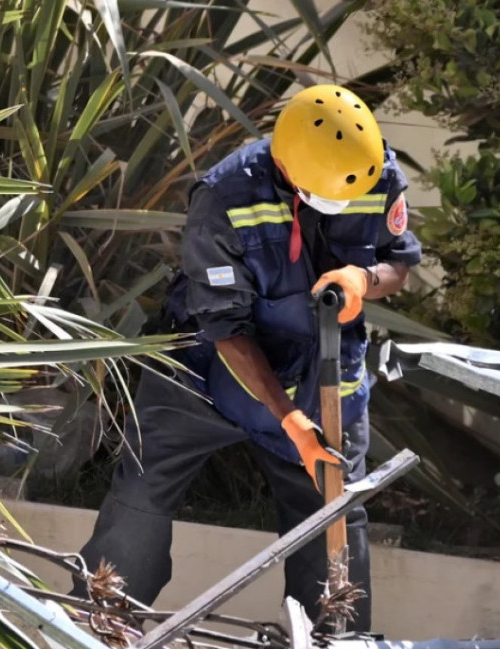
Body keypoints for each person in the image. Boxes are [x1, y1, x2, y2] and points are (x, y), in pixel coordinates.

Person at [74, 84, 422, 632]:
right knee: (138, 503)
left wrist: (365, 278)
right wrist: (290, 423)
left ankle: (332, 641)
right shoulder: (225, 197)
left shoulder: (374, 172)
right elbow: (226, 328)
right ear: (286, 165)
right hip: (207, 368)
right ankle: (100, 631)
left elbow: (397, 261)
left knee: (332, 522)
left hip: (323, 370)